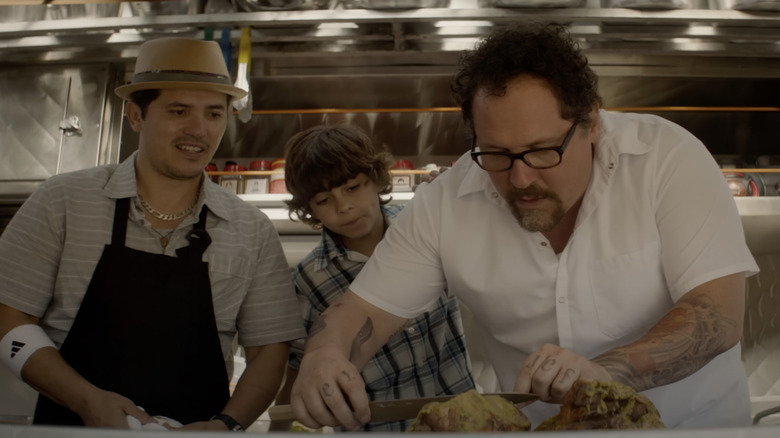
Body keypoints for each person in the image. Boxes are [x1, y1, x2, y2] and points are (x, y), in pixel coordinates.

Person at [287, 22, 759, 430]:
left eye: (541, 150)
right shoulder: (445, 204)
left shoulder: (668, 159)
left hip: (691, 429)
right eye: (496, 154)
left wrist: (608, 371)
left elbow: (716, 315)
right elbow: (359, 314)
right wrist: (323, 355)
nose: (520, 178)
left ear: (592, 122)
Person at [0, 37, 305, 430]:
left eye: (214, 114)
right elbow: (8, 317)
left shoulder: (252, 230)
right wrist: (87, 400)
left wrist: (226, 424)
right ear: (135, 116)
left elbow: (269, 351)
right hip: (69, 426)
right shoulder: (62, 201)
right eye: (179, 111)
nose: (198, 130)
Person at [270, 124, 475, 432]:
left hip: (463, 421)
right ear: (309, 209)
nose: (344, 207)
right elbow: (301, 372)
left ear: (377, 179)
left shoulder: (424, 232)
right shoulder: (308, 280)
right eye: (324, 200)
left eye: (352, 187)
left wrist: (455, 196)